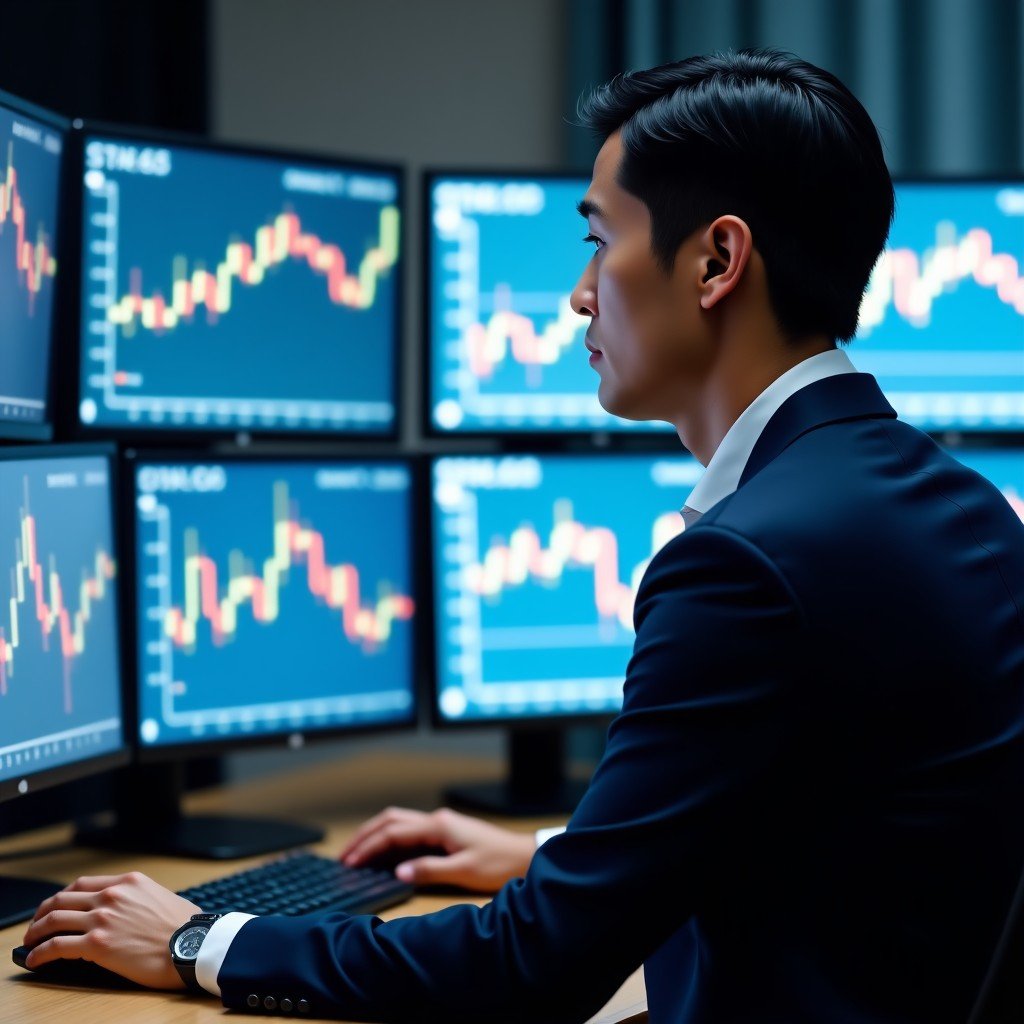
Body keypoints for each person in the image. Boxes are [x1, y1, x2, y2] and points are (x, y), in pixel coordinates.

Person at [22, 48, 1024, 1023]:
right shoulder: (961, 507)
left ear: (716, 259)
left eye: (598, 239)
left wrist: (202, 939)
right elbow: (839, 824)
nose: (580, 294)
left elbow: (529, 971)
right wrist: (564, 851)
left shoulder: (745, 563)